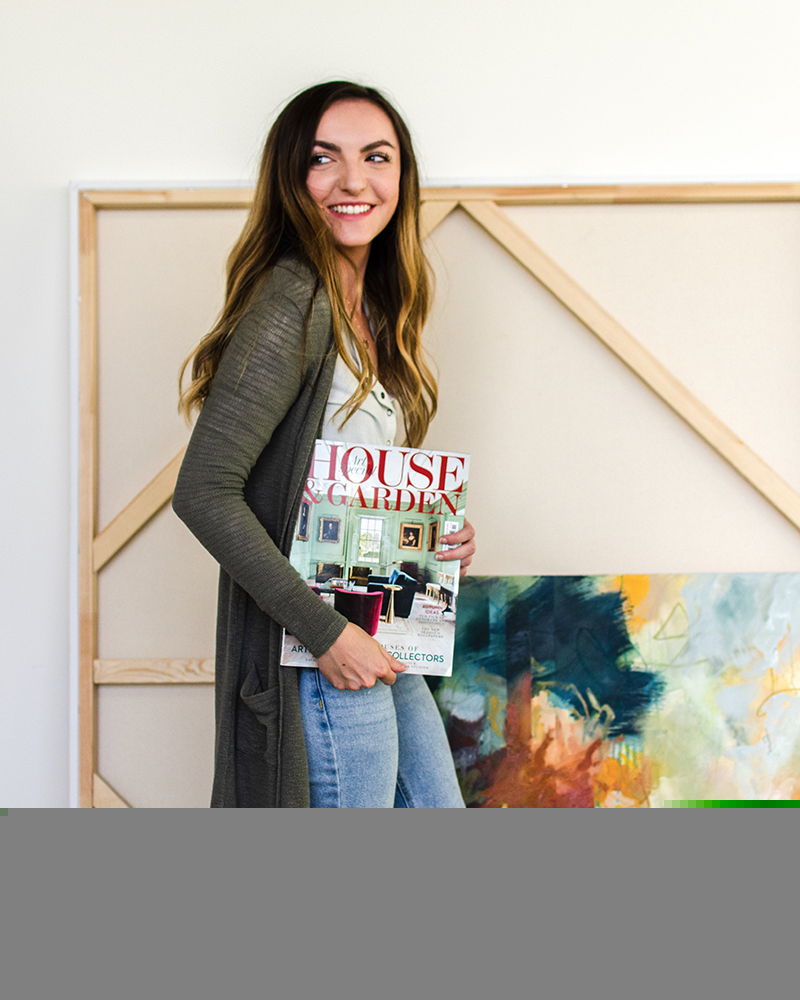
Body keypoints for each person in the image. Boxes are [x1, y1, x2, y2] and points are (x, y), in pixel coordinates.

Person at [173, 81, 475, 808]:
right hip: (319, 651)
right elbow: (204, 491)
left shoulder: (375, 310)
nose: (353, 181)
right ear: (291, 177)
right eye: (323, 159)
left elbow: (341, 492)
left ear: (401, 177)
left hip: (382, 638)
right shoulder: (294, 299)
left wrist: (433, 537)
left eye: (377, 157)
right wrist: (327, 634)